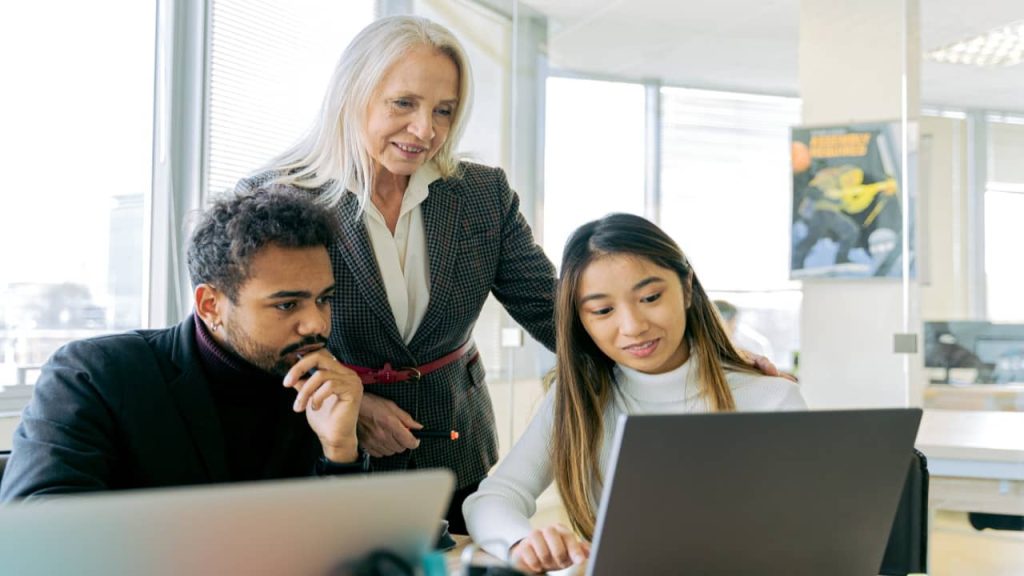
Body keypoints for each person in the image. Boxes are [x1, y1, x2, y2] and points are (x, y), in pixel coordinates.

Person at [235, 15, 784, 533]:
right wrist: (354, 403)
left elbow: (557, 310)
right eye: (403, 103)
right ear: (352, 96)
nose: (425, 129)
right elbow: (253, 335)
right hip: (322, 443)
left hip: (452, 442)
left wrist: (708, 361)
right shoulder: (275, 197)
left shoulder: (479, 194)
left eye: (444, 111)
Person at [463, 213, 807, 573]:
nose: (633, 326)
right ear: (581, 319)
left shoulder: (771, 399)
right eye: (603, 310)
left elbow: (812, 528)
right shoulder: (580, 398)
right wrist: (523, 542)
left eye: (650, 297)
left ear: (687, 288)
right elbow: (490, 499)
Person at [1, 189, 368, 501]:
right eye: (287, 305)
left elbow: (352, 550)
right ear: (211, 305)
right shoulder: (94, 376)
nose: (317, 323)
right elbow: (39, 525)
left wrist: (340, 451)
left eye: (323, 299)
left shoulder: (319, 392)